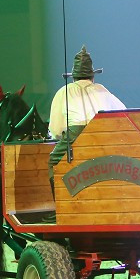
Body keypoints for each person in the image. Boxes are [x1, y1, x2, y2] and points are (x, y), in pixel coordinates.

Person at [47, 46, 126, 191]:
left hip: (74, 136)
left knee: (53, 161)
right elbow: (124, 113)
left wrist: (58, 136)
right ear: (92, 76)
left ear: (73, 77)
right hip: (103, 135)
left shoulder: (64, 91)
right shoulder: (102, 90)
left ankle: (59, 206)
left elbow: (56, 130)